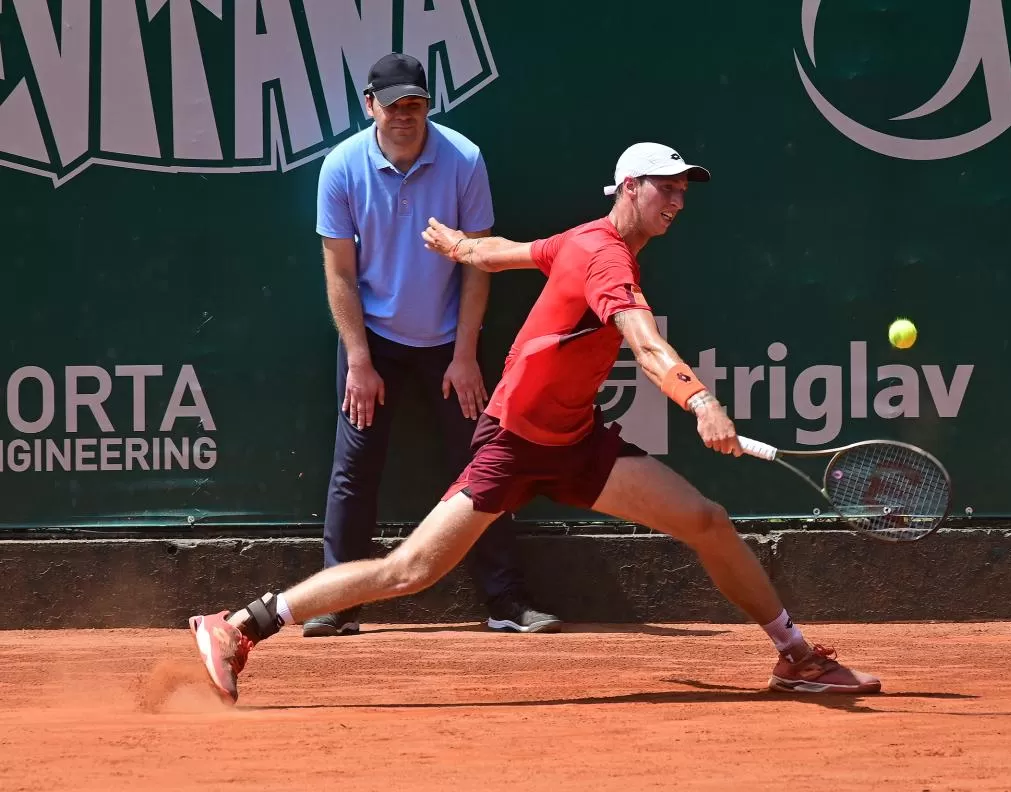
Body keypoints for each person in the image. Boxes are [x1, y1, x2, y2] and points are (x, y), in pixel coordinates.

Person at [189, 141, 881, 703]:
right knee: (410, 570)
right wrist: (701, 402)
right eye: (664, 189)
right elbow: (646, 346)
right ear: (628, 188)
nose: (676, 201)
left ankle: (794, 656)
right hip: (515, 443)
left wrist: (462, 248)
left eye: (682, 192)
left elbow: (509, 251)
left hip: (576, 441)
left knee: (707, 521)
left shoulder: (583, 240)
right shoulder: (607, 259)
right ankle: (240, 625)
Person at [307, 51, 560, 636]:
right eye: (393, 104)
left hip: (450, 341)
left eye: (415, 103)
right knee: (354, 469)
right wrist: (359, 361)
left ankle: (505, 602)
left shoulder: (463, 158)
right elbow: (339, 273)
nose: (405, 114)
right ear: (370, 105)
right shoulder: (340, 167)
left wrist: (465, 354)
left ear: (427, 104)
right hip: (372, 342)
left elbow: (478, 262)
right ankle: (336, 601)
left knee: (484, 467)